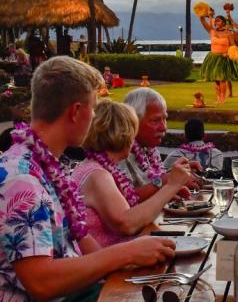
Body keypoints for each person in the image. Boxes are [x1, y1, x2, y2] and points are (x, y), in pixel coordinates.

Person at [0, 57, 175, 302]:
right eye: (93, 109)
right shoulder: (20, 181)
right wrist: (125, 253)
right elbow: (41, 282)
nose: (94, 118)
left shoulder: (39, 164)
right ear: (76, 112)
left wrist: (131, 257)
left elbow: (72, 243)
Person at [72, 99, 192, 247]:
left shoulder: (93, 166)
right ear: (127, 135)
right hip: (110, 266)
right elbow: (127, 224)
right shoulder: (97, 175)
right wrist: (171, 185)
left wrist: (165, 195)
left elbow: (130, 209)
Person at [120, 88, 200, 201]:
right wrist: (167, 180)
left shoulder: (150, 149)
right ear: (133, 121)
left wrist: (175, 178)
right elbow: (125, 199)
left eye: (165, 119)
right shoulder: (118, 152)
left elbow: (155, 180)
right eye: (155, 120)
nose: (164, 127)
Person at [196, 11, 238, 104]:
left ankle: (222, 99)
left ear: (223, 22)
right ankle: (218, 98)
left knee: (222, 79)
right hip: (213, 58)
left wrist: (228, 54)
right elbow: (203, 21)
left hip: (223, 58)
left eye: (218, 21)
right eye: (215, 21)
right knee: (216, 80)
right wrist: (202, 13)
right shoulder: (212, 31)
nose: (216, 22)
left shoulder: (229, 33)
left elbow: (233, 46)